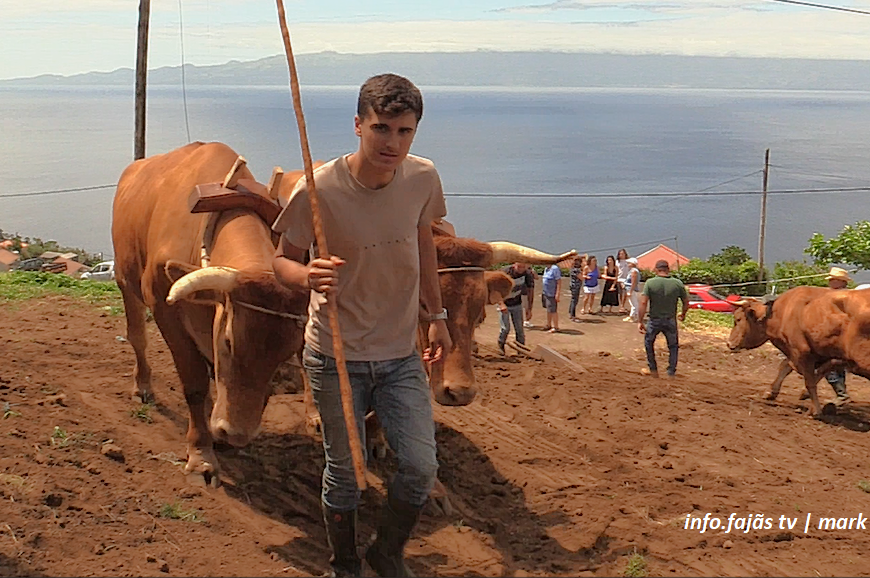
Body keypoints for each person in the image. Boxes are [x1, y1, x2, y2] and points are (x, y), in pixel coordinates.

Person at [272, 73, 451, 578]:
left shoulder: (422, 178)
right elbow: (280, 262)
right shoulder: (319, 189)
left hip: (400, 355)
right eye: (381, 128)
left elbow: (423, 244)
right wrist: (307, 275)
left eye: (404, 131)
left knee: (420, 468)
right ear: (358, 125)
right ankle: (345, 564)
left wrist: (436, 316)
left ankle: (386, 552)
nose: (392, 142)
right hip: (335, 354)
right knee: (347, 473)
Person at [637, 259, 688, 378]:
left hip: (654, 319)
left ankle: (653, 369)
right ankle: (671, 371)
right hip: (670, 319)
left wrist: (640, 321)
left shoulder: (650, 283)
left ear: (656, 269)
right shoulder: (677, 283)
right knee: (673, 346)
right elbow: (686, 302)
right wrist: (683, 314)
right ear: (668, 269)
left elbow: (643, 303)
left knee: (649, 342)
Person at [823, 267, 851, 405]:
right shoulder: (847, 295)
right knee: (836, 365)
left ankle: (841, 394)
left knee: (827, 364)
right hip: (840, 335)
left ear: (841, 282)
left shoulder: (840, 297)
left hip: (836, 335)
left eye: (833, 280)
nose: (830, 282)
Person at [498, 262, 535, 355]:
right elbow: (497, 289)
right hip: (504, 302)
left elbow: (530, 291)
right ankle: (500, 345)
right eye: (519, 267)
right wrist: (501, 304)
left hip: (517, 303)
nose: (521, 269)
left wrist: (529, 309)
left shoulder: (527, 274)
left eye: (523, 267)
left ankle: (521, 350)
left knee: (519, 329)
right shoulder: (505, 272)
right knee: (505, 328)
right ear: (514, 264)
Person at [542, 263, 562, 333]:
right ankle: (548, 324)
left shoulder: (555, 268)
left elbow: (559, 281)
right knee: (548, 309)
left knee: (553, 310)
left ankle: (556, 327)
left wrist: (557, 293)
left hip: (552, 293)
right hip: (546, 293)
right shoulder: (546, 269)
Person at [623, 257, 641, 322]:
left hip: (631, 289)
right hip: (631, 289)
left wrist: (630, 291)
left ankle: (633, 316)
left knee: (633, 304)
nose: (628, 264)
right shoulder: (633, 271)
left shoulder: (634, 271)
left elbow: (633, 282)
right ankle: (634, 316)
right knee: (634, 303)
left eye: (629, 263)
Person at [568, 255, 586, 321]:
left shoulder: (573, 268)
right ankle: (573, 315)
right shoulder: (576, 270)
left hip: (574, 286)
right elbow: (581, 278)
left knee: (573, 300)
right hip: (575, 286)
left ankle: (570, 313)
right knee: (574, 300)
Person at [616, 248, 631, 314]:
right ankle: (621, 306)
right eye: (620, 254)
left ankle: (623, 305)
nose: (621, 255)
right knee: (621, 293)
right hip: (619, 278)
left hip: (626, 279)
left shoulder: (628, 261)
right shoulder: (617, 262)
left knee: (625, 292)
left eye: (622, 254)